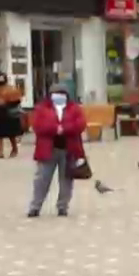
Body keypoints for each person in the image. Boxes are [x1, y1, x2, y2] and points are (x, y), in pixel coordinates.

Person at [27, 84, 86, 218]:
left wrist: (64, 129)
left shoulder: (74, 108)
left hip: (69, 149)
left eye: (61, 93)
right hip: (47, 149)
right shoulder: (42, 108)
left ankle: (62, 207)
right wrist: (55, 129)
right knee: (42, 179)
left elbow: (80, 124)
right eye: (56, 93)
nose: (58, 96)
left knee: (66, 180)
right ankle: (35, 207)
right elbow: (38, 126)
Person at [0, 70, 24, 158]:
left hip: (9, 113)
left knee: (11, 134)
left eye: (1, 78)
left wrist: (6, 103)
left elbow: (17, 100)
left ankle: (14, 149)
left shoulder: (11, 88)